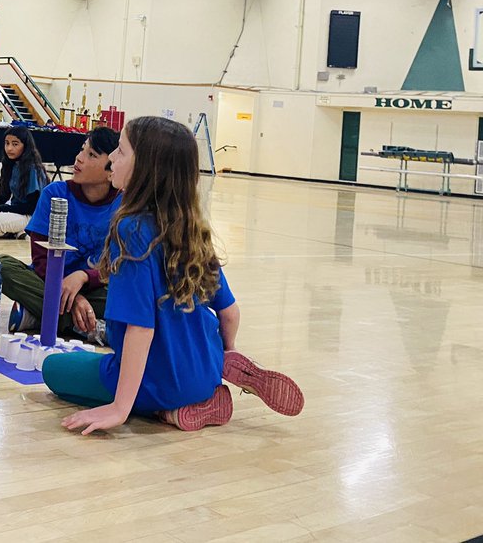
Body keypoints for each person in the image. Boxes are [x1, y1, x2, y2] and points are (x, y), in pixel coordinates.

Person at [44, 117, 304, 434]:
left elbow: (140, 329)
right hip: (207, 366)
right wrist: (228, 349)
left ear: (145, 170)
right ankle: (211, 381)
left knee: (54, 369)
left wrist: (119, 408)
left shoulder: (131, 230)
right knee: (188, 359)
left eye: (121, 152)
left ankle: (166, 410)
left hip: (154, 380)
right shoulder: (192, 229)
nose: (112, 158)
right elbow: (230, 313)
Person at [0, 127, 120, 340]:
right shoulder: (55, 193)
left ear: (111, 171)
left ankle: (41, 316)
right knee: (0, 267)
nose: (79, 158)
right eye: (82, 150)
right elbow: (40, 258)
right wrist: (75, 298)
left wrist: (83, 278)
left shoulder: (123, 204)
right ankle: (81, 324)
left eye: (91, 155)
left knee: (126, 295)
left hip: (95, 286)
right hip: (50, 281)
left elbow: (118, 264)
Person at [0, 126, 48, 237]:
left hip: (29, 216)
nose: (9, 148)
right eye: (7, 143)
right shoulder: (11, 164)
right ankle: (13, 230)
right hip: (14, 211)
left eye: (15, 144)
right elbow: (3, 197)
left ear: (25, 146)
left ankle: (16, 230)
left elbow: (32, 208)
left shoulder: (32, 169)